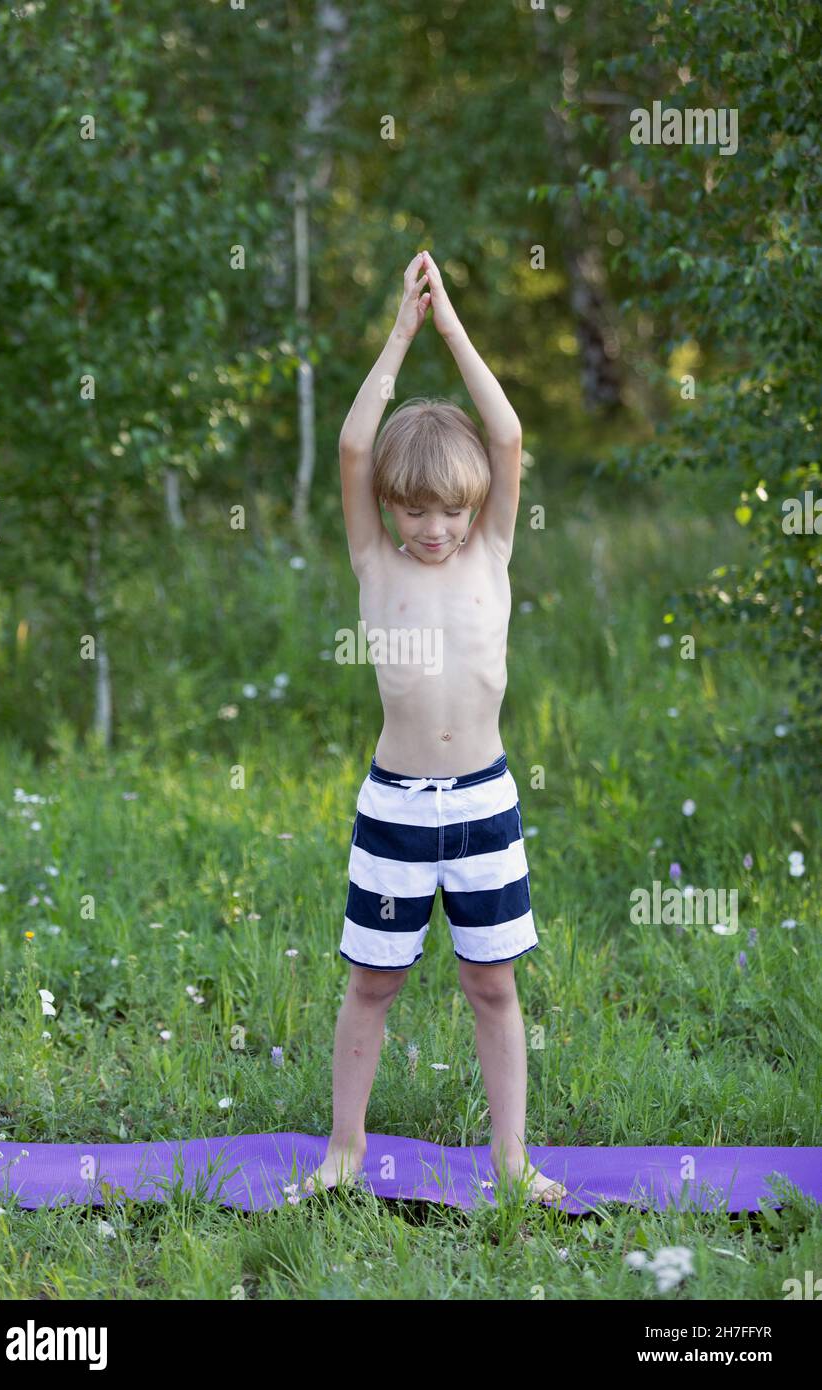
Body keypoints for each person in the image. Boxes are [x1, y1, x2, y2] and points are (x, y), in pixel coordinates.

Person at [304, 251, 566, 1206]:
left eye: (448, 510)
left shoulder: (490, 550)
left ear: (476, 507)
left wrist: (450, 325)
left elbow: (506, 429)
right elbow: (350, 446)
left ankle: (511, 1162)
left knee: (493, 987)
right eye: (413, 509)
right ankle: (344, 1149)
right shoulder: (377, 564)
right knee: (372, 985)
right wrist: (399, 334)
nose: (433, 528)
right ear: (388, 508)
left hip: (486, 802)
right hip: (397, 809)